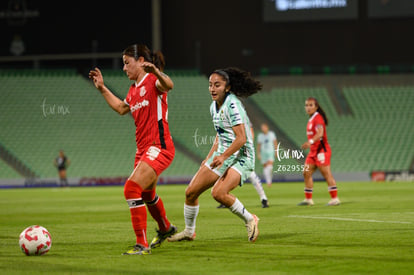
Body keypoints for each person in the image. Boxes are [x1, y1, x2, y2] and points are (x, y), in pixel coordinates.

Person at [89, 44, 177, 255]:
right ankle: (166, 228)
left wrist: (156, 71)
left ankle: (142, 244)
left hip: (159, 146)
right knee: (147, 193)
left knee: (131, 189)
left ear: (140, 62)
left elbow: (169, 85)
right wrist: (102, 88)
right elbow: (121, 108)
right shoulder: (134, 89)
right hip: (143, 149)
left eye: (127, 63)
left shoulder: (153, 80)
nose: (124, 68)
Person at [168, 67, 261, 243]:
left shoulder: (232, 105)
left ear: (227, 87)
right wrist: (209, 156)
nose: (212, 88)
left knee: (218, 193)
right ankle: (189, 231)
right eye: (210, 85)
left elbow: (241, 138)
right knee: (191, 192)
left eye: (217, 85)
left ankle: (250, 219)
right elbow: (220, 134)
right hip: (223, 154)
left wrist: (224, 157)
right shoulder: (213, 106)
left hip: (242, 156)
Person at [298, 97, 340, 206]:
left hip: (322, 150)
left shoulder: (318, 118)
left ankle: (335, 199)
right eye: (306, 105)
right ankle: (308, 200)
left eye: (311, 105)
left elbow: (320, 133)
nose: (308, 107)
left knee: (326, 173)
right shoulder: (311, 119)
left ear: (316, 107)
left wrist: (310, 141)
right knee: (306, 173)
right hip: (313, 152)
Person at [217, 123, 269, 208]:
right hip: (233, 151)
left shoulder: (242, 117)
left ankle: (264, 198)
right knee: (226, 175)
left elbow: (250, 133)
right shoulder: (229, 117)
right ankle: (224, 198)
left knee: (252, 176)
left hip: (242, 152)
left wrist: (246, 141)